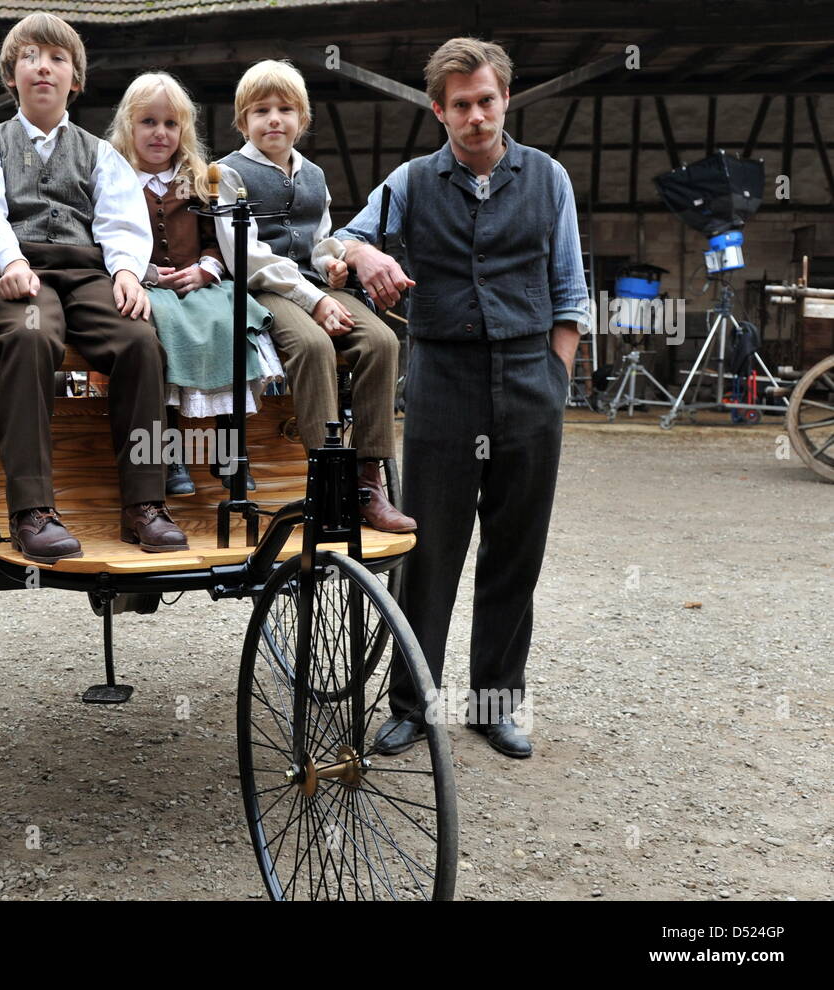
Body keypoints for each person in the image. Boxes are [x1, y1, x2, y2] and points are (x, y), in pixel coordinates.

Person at [337, 37, 590, 759]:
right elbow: (337, 241)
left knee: (516, 551)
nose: (475, 117)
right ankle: (413, 704)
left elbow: (570, 291)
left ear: (504, 99)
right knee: (431, 549)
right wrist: (366, 253)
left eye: (486, 101)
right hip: (444, 378)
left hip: (529, 376)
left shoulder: (548, 178)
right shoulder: (413, 182)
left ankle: (494, 703)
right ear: (438, 111)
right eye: (460, 106)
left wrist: (555, 377)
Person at [0, 13, 188, 562]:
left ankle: (144, 506)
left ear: (75, 81)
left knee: (138, 344)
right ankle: (32, 511)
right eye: (30, 56)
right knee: (33, 338)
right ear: (11, 75)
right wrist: (8, 260)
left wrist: (128, 270)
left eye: (58, 58)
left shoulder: (99, 153)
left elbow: (119, 220)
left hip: (88, 273)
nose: (44, 67)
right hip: (22, 274)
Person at [214, 59, 415, 534]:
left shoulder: (315, 176)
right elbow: (248, 257)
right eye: (261, 110)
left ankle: (368, 479)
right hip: (264, 289)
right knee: (312, 345)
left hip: (313, 283)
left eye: (285, 109)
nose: (274, 119)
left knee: (383, 342)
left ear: (302, 121)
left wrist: (332, 264)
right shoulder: (227, 173)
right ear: (244, 120)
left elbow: (320, 238)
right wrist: (314, 298)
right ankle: (326, 480)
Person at [106, 71, 282, 496]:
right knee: (158, 332)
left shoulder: (201, 179)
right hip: (146, 287)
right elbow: (105, 237)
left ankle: (230, 452)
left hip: (200, 285)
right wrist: (143, 272)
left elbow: (219, 241)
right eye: (149, 122)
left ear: (184, 128)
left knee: (229, 319)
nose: (160, 133)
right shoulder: (113, 178)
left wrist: (206, 268)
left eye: (171, 123)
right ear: (129, 125)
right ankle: (169, 459)